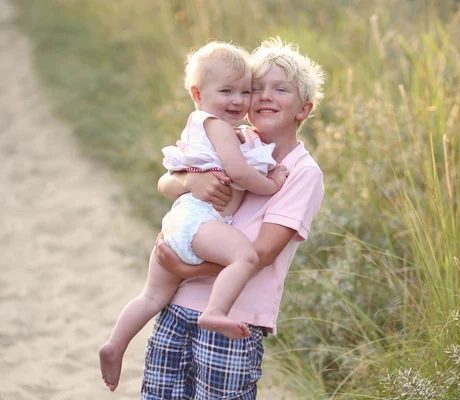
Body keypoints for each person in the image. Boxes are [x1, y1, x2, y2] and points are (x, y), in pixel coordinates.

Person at [99, 41, 289, 392]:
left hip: (182, 222)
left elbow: (173, 179)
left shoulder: (219, 130)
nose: (237, 100)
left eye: (244, 92)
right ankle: (215, 311)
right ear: (197, 94)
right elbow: (238, 173)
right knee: (244, 255)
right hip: (200, 220)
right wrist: (271, 184)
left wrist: (190, 180)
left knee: (152, 297)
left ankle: (115, 344)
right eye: (227, 91)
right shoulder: (215, 126)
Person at [141, 37, 325, 399]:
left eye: (280, 89)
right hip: (178, 305)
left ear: (303, 109)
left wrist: (186, 269)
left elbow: (264, 251)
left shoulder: (302, 172)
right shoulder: (233, 139)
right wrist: (189, 180)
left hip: (234, 316)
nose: (265, 96)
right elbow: (166, 179)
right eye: (257, 89)